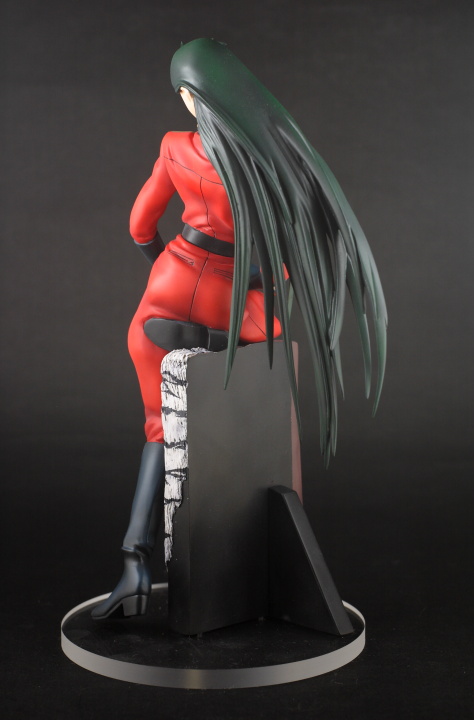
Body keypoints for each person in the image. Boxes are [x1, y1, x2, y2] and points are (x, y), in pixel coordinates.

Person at [92, 38, 387, 620]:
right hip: (237, 301)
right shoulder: (266, 163)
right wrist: (258, 276)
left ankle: (134, 561)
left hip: (169, 288)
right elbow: (283, 259)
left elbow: (138, 225)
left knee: (158, 431)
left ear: (189, 98)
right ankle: (216, 344)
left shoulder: (174, 147)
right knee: (262, 363)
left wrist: (168, 264)